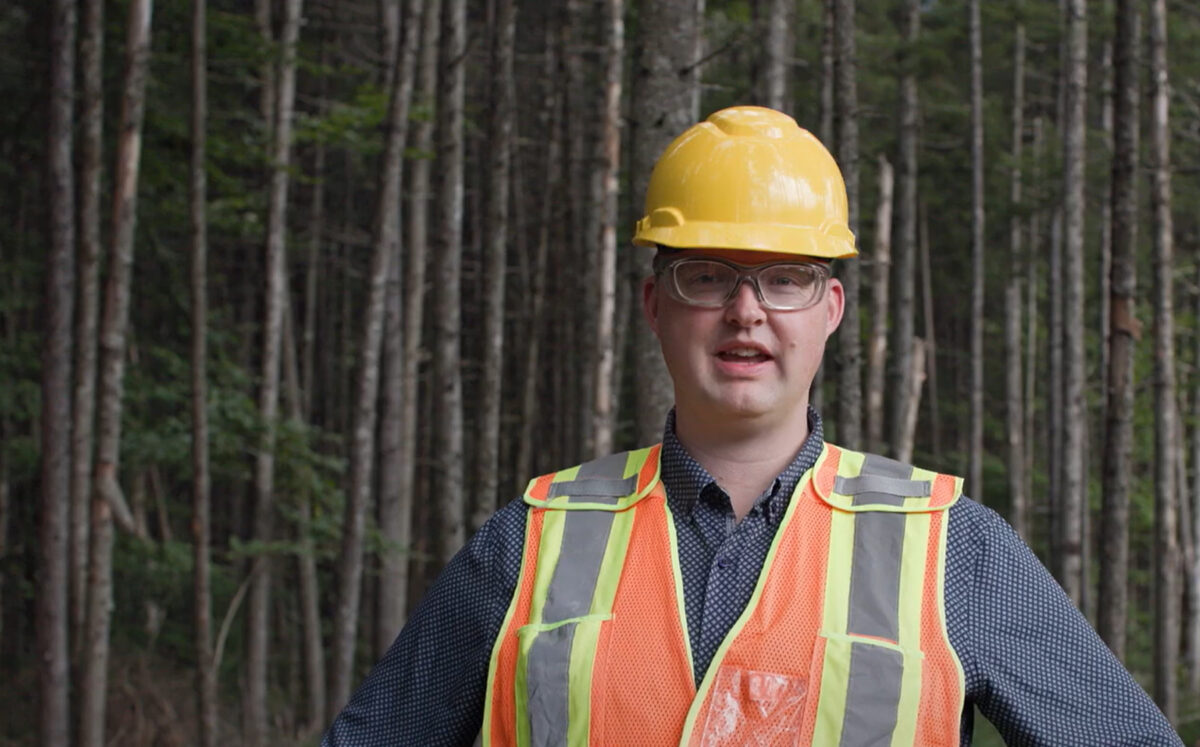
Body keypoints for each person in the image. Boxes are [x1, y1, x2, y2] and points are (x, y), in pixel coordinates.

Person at [323, 106, 1182, 746]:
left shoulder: (952, 550)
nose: (746, 313)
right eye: (708, 277)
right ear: (656, 305)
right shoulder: (528, 543)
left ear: (830, 309)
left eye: (785, 279)